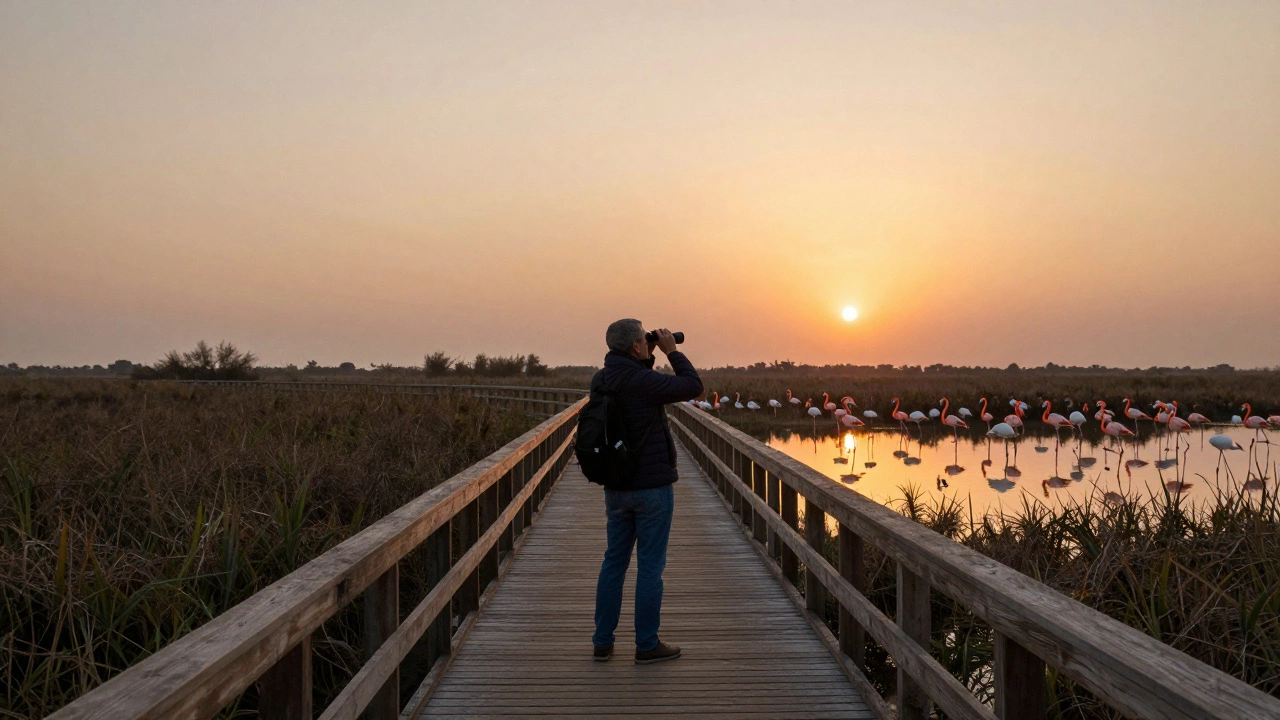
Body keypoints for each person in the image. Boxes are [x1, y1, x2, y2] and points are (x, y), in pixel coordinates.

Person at [591, 318, 703, 664]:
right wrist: (672, 351)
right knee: (650, 568)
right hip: (651, 488)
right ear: (636, 346)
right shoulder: (642, 380)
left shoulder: (602, 378)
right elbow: (692, 386)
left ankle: (602, 642)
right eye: (644, 339)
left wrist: (645, 355)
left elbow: (635, 387)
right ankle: (646, 644)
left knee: (614, 562)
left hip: (616, 486)